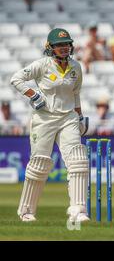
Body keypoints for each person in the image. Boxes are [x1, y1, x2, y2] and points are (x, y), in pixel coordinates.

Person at [10, 28, 89, 223]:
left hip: (68, 117)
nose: (64, 48)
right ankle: (26, 211)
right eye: (59, 45)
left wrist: (79, 116)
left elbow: (75, 93)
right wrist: (34, 95)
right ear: (50, 47)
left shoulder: (76, 67)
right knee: (40, 163)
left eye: (66, 44)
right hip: (44, 118)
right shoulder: (42, 65)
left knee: (78, 160)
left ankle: (78, 210)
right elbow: (16, 79)